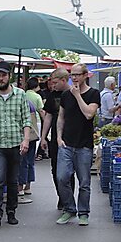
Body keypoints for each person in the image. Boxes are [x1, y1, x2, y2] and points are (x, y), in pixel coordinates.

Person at [0, 61, 32, 229]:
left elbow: (26, 119)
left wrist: (25, 140)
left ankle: (11, 211)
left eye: (4, 75)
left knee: (13, 180)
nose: (1, 78)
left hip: (16, 143)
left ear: (10, 76)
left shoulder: (20, 95)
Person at [56, 63, 101, 226]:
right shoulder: (66, 95)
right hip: (66, 144)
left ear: (85, 75)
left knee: (84, 182)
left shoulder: (94, 94)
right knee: (61, 177)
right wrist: (58, 138)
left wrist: (77, 96)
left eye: (77, 74)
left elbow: (89, 114)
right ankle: (69, 208)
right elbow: (61, 117)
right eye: (71, 75)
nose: (73, 77)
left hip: (84, 145)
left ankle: (83, 212)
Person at [41, 69, 70, 211]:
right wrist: (43, 137)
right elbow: (48, 116)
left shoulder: (73, 94)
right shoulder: (52, 96)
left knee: (68, 171)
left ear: (64, 80)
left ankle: (68, 200)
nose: (53, 86)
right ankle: (62, 196)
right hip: (54, 139)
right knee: (55, 169)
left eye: (55, 83)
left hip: (70, 138)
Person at [18, 77, 44, 203]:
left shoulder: (20, 104)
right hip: (34, 133)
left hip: (23, 135)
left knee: (22, 161)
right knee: (30, 160)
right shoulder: (33, 102)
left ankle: (20, 187)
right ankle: (28, 186)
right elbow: (41, 111)